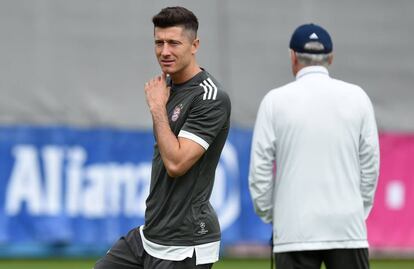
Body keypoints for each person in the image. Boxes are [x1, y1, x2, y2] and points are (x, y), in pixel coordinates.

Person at [94, 6, 231, 269]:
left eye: (174, 43)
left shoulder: (210, 97)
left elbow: (176, 164)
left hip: (186, 242)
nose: (164, 51)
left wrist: (157, 109)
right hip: (150, 235)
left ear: (194, 45)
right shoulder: (167, 88)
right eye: (159, 42)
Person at [248, 23, 380, 269]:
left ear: (293, 56)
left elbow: (260, 170)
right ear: (330, 57)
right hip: (347, 228)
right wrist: (355, 210)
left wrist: (273, 215)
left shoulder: (274, 101)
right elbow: (370, 165)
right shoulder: (358, 97)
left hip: (294, 231)